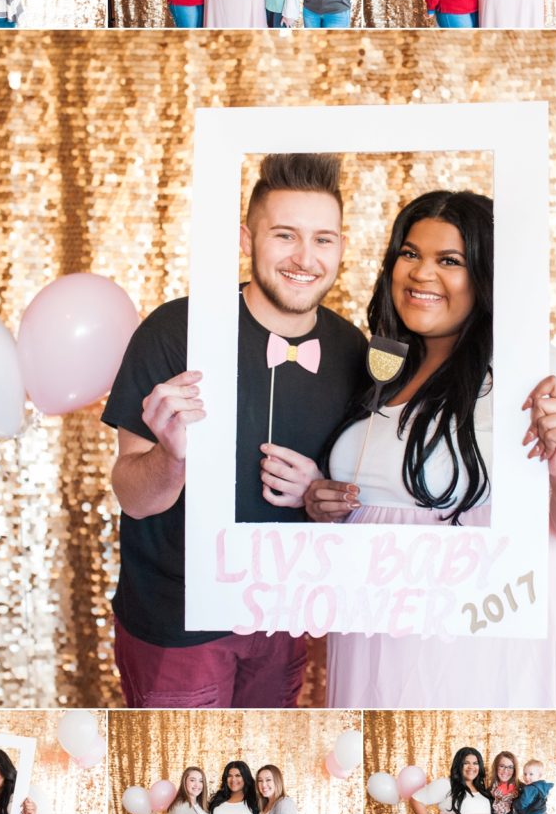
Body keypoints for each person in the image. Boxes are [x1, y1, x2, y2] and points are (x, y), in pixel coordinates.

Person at [301, 190, 556, 708]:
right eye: (410, 253)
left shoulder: (532, 370)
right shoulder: (381, 368)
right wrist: (328, 504)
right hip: (381, 630)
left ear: (485, 274)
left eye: (449, 261)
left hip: (486, 639)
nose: (421, 273)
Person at [102, 153, 367, 708]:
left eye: (323, 239)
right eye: (285, 235)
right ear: (247, 240)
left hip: (282, 617)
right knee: (180, 764)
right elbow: (134, 496)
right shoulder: (176, 330)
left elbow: (356, 496)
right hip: (178, 623)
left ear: (342, 246)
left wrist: (319, 491)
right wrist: (172, 457)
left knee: (265, 761)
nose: (305, 258)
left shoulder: (351, 350)